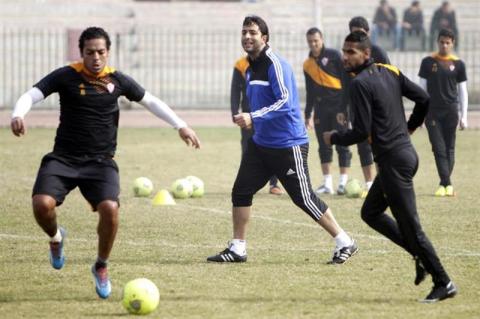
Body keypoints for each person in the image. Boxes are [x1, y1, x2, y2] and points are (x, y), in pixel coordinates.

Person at [10, 27, 201, 299]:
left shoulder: (117, 80)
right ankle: (56, 238)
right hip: (63, 158)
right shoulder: (67, 75)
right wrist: (19, 114)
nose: (96, 57)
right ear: (82, 53)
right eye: (90, 52)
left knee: (110, 209)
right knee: (42, 205)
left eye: (101, 52)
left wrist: (180, 125)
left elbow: (151, 101)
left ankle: (100, 265)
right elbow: (32, 94)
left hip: (100, 163)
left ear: (108, 52)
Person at [207, 15, 357, 264]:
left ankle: (345, 241)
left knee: (304, 198)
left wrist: (253, 116)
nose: (247, 36)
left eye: (253, 32)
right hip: (261, 144)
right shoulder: (249, 65)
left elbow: (286, 103)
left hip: (288, 144)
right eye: (244, 32)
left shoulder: (275, 64)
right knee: (241, 191)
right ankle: (238, 248)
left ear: (264, 38)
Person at [323, 31, 456, 303]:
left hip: (395, 162)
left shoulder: (360, 83)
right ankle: (419, 255)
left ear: (366, 54)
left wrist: (334, 137)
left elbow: (360, 131)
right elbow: (424, 99)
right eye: (344, 51)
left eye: (351, 52)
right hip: (402, 156)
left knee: (412, 228)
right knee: (370, 212)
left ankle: (444, 282)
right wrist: (409, 128)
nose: (346, 56)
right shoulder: (390, 71)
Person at [418, 29, 468, 197]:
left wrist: (464, 116)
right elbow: (421, 90)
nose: (444, 45)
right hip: (432, 112)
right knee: (438, 149)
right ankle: (447, 183)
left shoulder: (458, 64)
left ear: (452, 43)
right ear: (437, 42)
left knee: (449, 149)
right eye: (442, 42)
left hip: (451, 111)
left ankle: (444, 183)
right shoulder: (427, 62)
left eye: (448, 42)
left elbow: (463, 91)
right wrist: (420, 115)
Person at [303, 27, 351, 195]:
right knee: (324, 146)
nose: (313, 44)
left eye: (316, 40)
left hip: (339, 107)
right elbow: (309, 92)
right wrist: (307, 114)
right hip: (320, 110)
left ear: (321, 39)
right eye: (310, 41)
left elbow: (346, 80)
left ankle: (343, 182)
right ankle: (327, 183)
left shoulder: (334, 56)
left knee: (342, 144)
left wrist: (346, 108)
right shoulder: (307, 64)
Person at [347, 16, 390, 196]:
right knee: (362, 145)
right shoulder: (348, 55)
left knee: (381, 146)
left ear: (368, 33)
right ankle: (370, 184)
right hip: (357, 107)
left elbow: (389, 78)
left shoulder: (378, 52)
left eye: (360, 33)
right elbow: (345, 83)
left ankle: (385, 183)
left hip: (377, 107)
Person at [230, 55, 283, 195]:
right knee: (247, 149)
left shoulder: (270, 64)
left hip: (265, 115)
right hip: (247, 116)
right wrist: (234, 112)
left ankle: (274, 184)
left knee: (271, 149)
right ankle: (248, 183)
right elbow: (235, 89)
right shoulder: (240, 64)